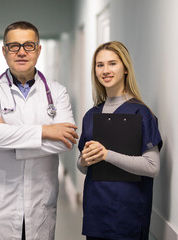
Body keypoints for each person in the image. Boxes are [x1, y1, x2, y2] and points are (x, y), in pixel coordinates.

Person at [0, 21, 78, 240]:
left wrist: (8, 136)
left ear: (38, 50)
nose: (21, 52)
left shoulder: (57, 92)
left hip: (40, 200)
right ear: (4, 51)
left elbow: (65, 141)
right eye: (14, 46)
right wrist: (46, 130)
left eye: (29, 45)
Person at [77, 41, 163, 240]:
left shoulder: (140, 113)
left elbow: (152, 167)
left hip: (128, 213)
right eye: (100, 65)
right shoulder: (91, 115)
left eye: (112, 63)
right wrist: (83, 161)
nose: (105, 70)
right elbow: (83, 166)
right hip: (96, 211)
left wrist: (106, 154)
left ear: (125, 68)